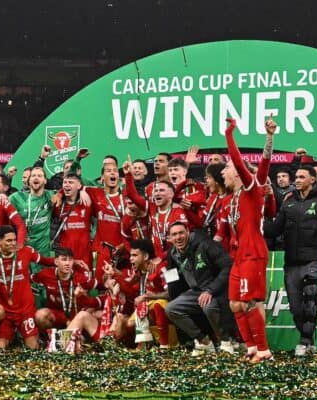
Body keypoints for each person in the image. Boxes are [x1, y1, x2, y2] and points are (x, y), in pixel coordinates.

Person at [265, 165, 317, 356]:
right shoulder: (288, 202)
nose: (296, 180)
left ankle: (304, 341)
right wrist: (261, 211)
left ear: (312, 180)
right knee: (297, 308)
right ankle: (309, 341)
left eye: (301, 177)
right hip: (291, 263)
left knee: (311, 301)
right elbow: (274, 230)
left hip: (315, 260)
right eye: (296, 177)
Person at [219, 117, 276, 363]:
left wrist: (229, 134)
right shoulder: (231, 200)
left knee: (250, 302)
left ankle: (264, 350)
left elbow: (260, 162)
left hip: (253, 252)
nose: (224, 171)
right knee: (234, 303)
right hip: (239, 256)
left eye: (227, 167)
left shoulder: (253, 188)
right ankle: (251, 347)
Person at [0, 226, 54, 349]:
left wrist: (70, 262)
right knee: (0, 347)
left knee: (33, 347)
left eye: (14, 240)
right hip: (6, 313)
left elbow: (45, 261)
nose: (13, 244)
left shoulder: (26, 251)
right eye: (9, 241)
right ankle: (11, 334)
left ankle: (24, 333)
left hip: (25, 311)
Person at [164, 222, 234, 355]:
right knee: (171, 308)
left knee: (208, 305)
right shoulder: (172, 253)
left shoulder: (206, 244)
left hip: (216, 291)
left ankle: (226, 342)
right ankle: (204, 342)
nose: (178, 237)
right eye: (174, 235)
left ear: (188, 233)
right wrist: (172, 297)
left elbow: (228, 266)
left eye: (181, 233)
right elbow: (172, 279)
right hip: (195, 292)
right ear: (170, 238)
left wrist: (210, 290)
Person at [106, 239, 170, 348]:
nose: (131, 259)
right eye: (130, 255)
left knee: (158, 304)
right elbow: (129, 287)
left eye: (135, 255)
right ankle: (112, 347)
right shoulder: (140, 272)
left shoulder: (162, 267)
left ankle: (164, 346)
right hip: (147, 308)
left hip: (167, 308)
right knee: (122, 319)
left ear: (145, 257)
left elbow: (172, 293)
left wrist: (149, 296)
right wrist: (114, 274)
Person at [33, 247, 99, 331]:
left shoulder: (81, 278)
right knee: (40, 315)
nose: (68, 263)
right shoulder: (46, 274)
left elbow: (102, 286)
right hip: (56, 315)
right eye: (64, 260)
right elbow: (28, 279)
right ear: (56, 262)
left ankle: (78, 335)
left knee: (96, 313)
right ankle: (47, 336)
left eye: (70, 260)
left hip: (76, 315)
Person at [9, 167, 54, 256]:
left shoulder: (51, 195)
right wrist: (1, 196)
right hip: (23, 248)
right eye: (33, 175)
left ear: (45, 181)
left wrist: (83, 191)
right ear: (29, 181)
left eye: (39, 176)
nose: (36, 177)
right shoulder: (17, 197)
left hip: (43, 250)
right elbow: (1, 208)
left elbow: (70, 188)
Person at [52, 173, 93, 267]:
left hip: (84, 256)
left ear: (78, 185)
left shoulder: (87, 202)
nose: (66, 185)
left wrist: (83, 189)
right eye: (64, 182)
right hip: (65, 257)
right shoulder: (58, 204)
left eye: (70, 182)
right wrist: (59, 193)